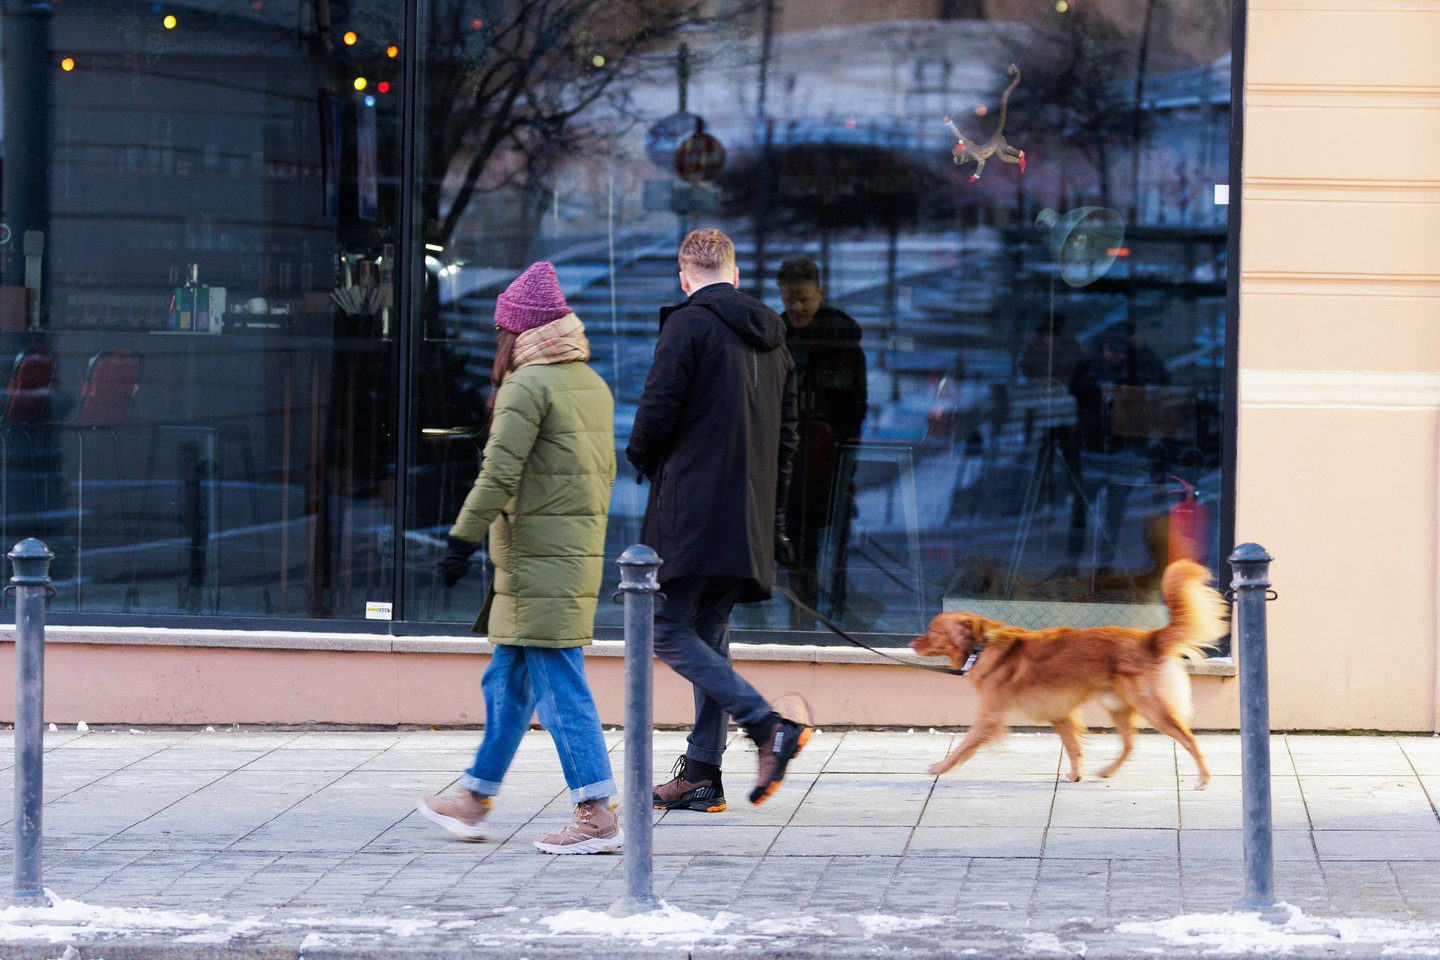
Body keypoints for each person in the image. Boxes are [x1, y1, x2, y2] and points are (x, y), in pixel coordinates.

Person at [416, 261, 621, 855]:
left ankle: (595, 814)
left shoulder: (526, 386)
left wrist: (460, 539)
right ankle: (474, 798)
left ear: (518, 332)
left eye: (501, 332)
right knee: (506, 681)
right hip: (566, 556)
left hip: (539, 562)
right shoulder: (590, 384)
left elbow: (498, 472)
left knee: (559, 688)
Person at [626, 228, 811, 812]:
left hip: (693, 511)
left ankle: (766, 725)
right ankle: (703, 771)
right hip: (748, 515)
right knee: (708, 633)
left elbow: (658, 408)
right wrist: (775, 520)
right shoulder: (777, 343)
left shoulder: (687, 323)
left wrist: (641, 457)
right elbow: (788, 442)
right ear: (735, 275)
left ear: (685, 278)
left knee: (664, 628)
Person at [775, 257, 867, 622]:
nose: (796, 307)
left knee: (833, 535)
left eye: (803, 299)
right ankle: (803, 608)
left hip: (829, 459)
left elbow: (856, 408)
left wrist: (846, 455)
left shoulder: (842, 340)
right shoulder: (776, 336)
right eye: (789, 299)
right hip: (791, 461)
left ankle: (832, 607)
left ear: (820, 294)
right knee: (799, 539)